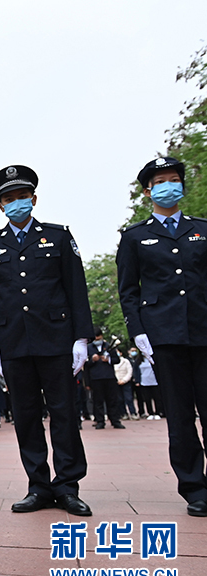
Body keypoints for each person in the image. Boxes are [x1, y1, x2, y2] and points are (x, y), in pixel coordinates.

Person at [0, 165, 94, 516]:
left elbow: (76, 288)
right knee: (25, 416)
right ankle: (39, 485)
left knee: (64, 413)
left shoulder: (58, 237)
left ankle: (68, 485)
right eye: (9, 199)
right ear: (0, 206)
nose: (16, 204)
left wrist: (81, 338)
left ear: (34, 198)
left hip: (56, 339)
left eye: (22, 197)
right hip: (13, 342)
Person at [116, 156, 207, 517]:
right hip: (163, 337)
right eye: (160, 182)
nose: (169, 186)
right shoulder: (135, 237)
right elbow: (128, 290)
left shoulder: (202, 229)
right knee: (181, 416)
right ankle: (194, 488)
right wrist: (138, 332)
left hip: (203, 331)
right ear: (148, 191)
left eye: (174, 179)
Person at [87, 329, 125, 429]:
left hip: (109, 377)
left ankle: (115, 420)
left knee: (112, 399)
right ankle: (100, 421)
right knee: (97, 400)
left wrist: (108, 360)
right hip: (96, 377)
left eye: (98, 337)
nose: (97, 339)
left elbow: (117, 360)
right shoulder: (89, 348)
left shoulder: (109, 346)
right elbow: (85, 364)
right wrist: (92, 360)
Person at [114, 347, 136, 420]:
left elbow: (129, 371)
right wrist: (117, 380)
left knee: (129, 398)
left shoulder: (126, 361)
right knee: (119, 399)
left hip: (126, 382)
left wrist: (124, 380)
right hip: (117, 382)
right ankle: (123, 414)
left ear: (121, 353)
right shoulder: (112, 361)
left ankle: (133, 413)